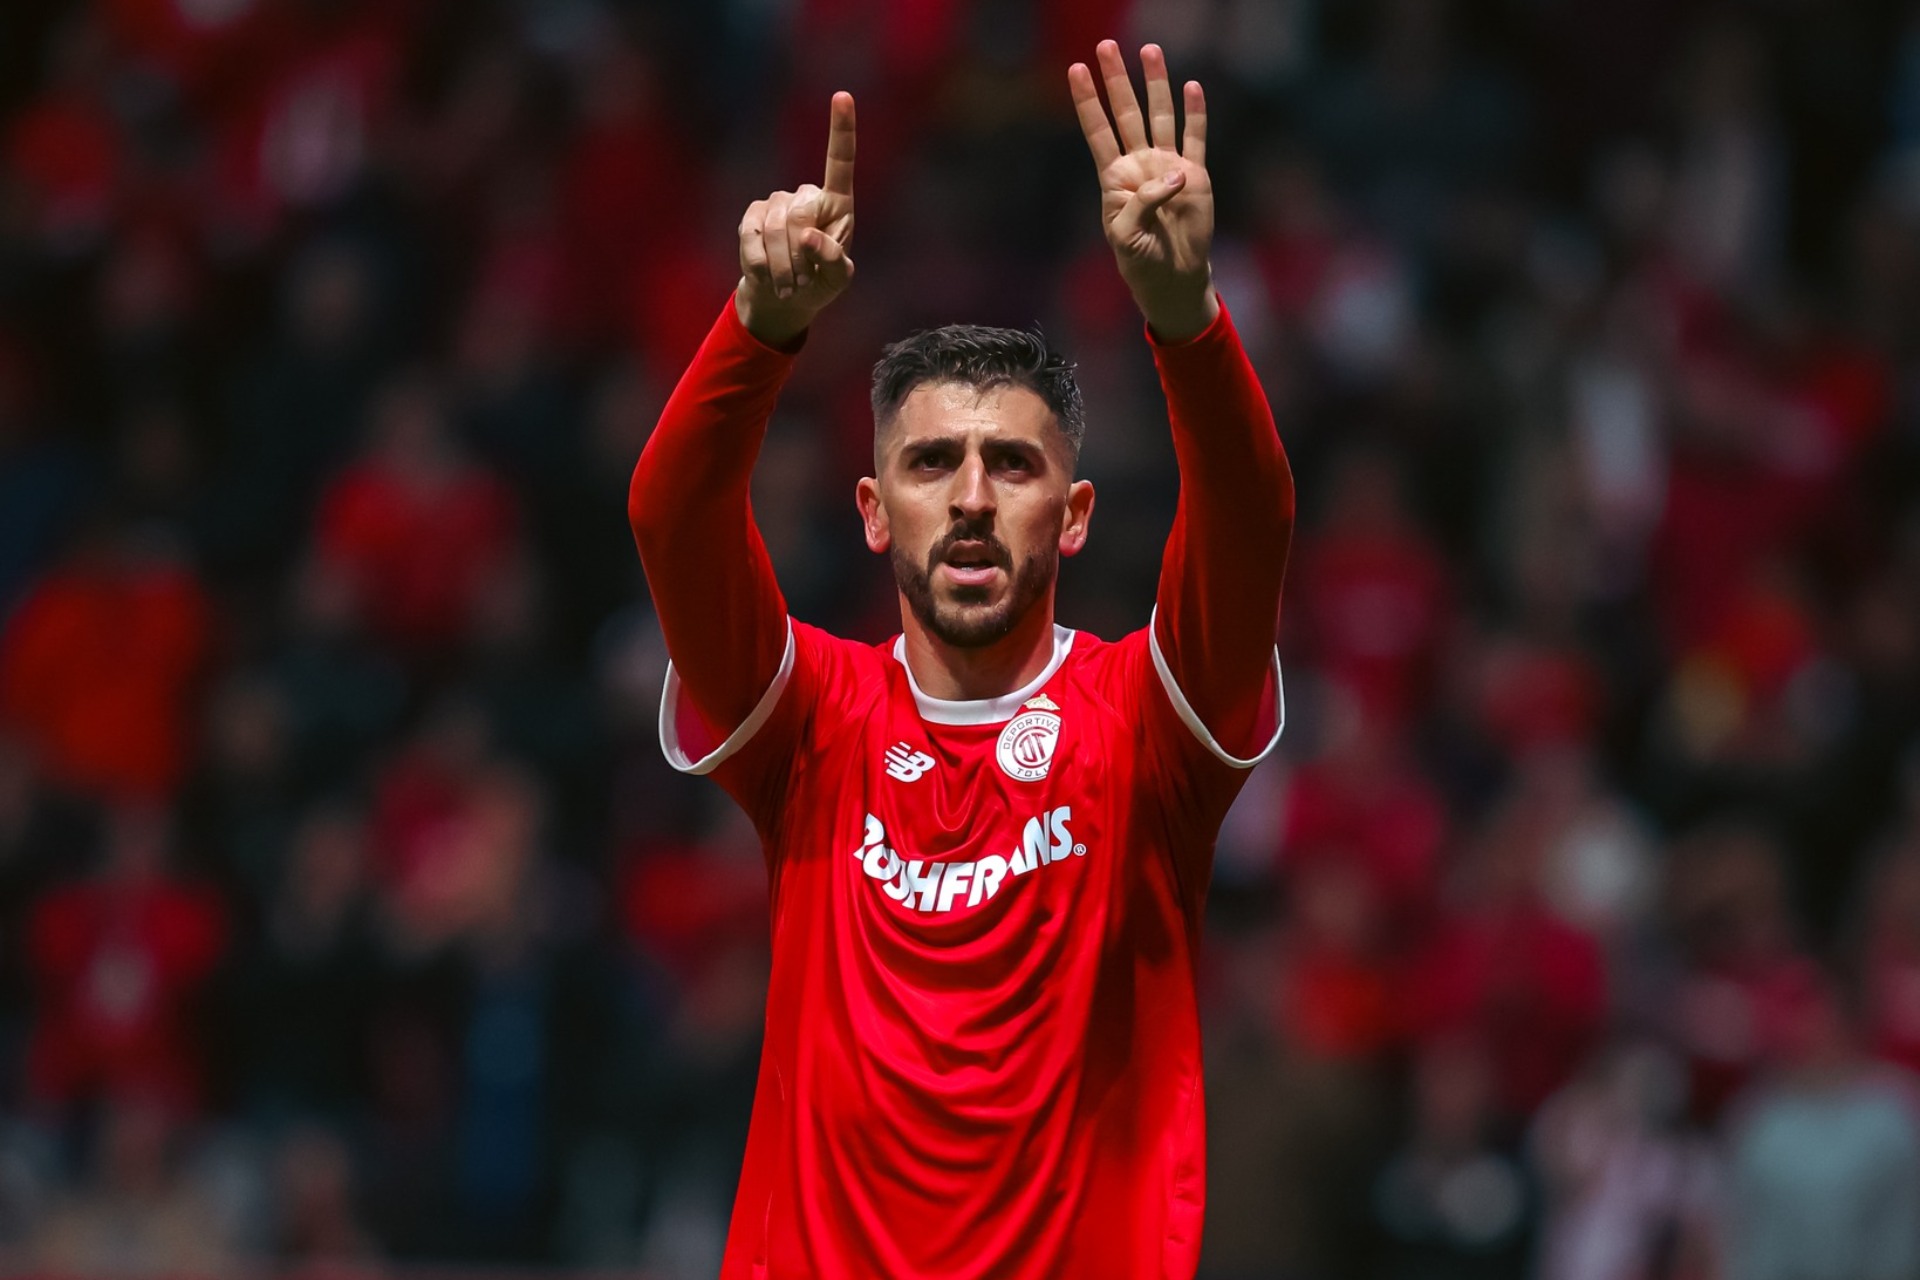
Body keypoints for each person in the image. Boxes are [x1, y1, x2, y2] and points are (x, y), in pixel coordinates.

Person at [628, 39, 1293, 1278]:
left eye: (1014, 464)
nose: (973, 497)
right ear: (875, 511)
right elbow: (672, 517)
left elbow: (1251, 521)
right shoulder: (812, 719)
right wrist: (759, 332)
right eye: (932, 463)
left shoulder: (1146, 721)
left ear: (1074, 514)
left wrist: (1185, 320)